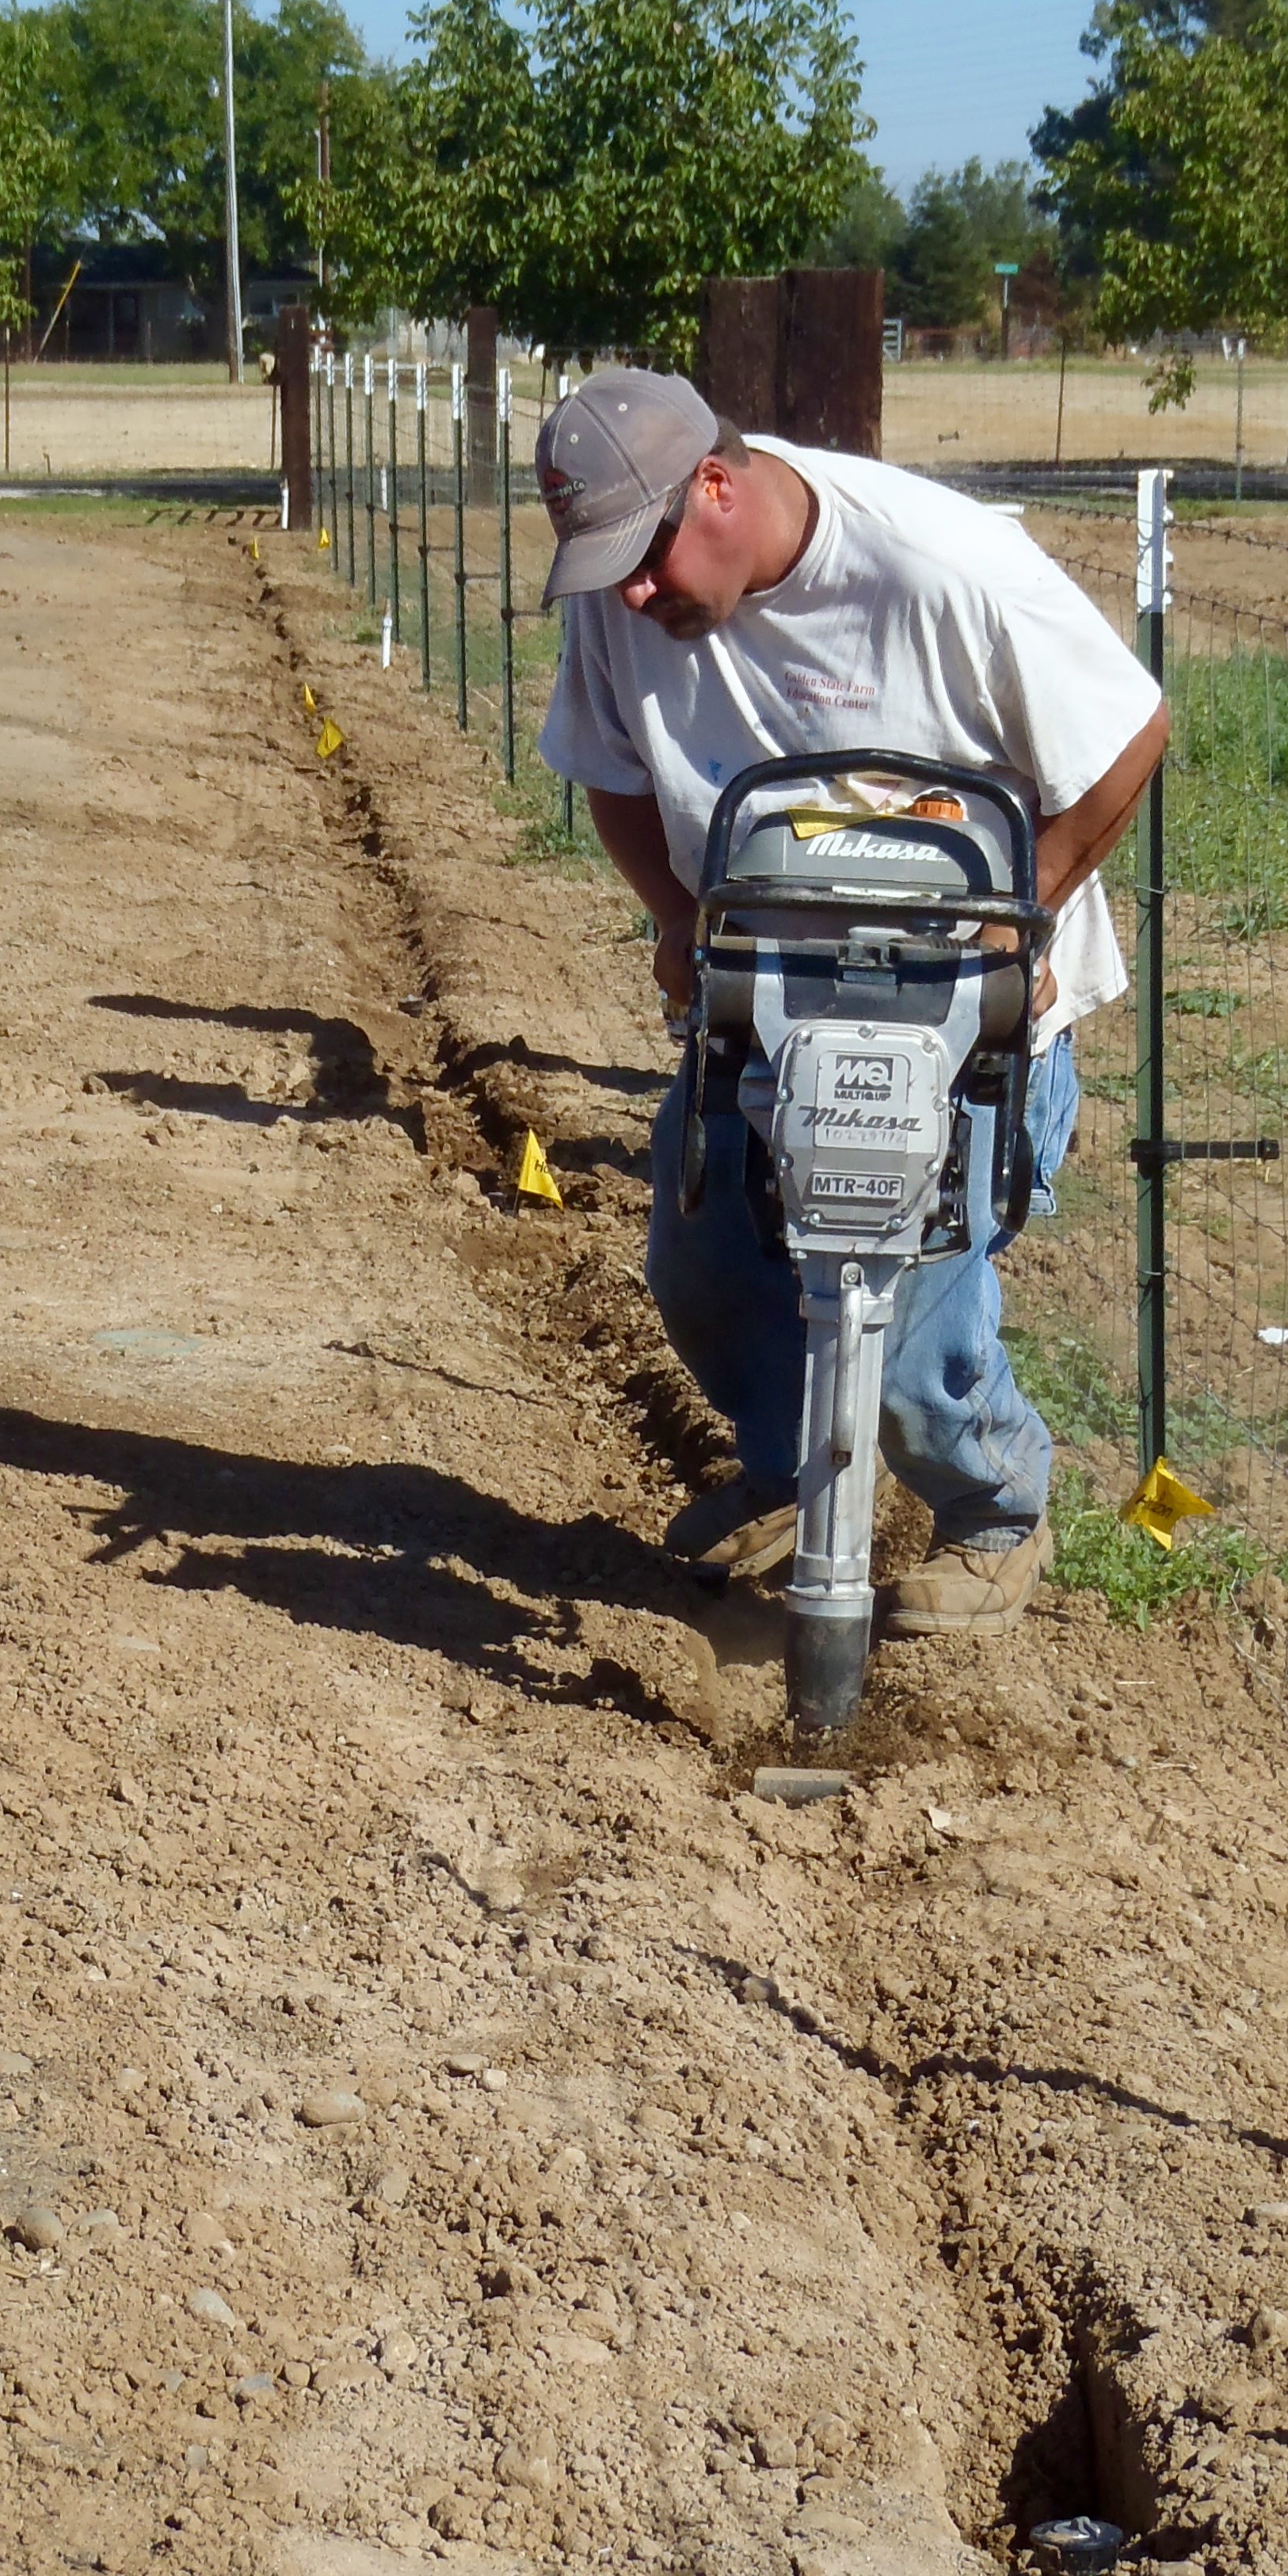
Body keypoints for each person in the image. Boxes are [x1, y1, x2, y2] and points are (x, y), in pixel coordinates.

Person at [535, 366, 1167, 1634]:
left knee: (906, 1325)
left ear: (718, 485)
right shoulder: (625, 599)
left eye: (645, 558)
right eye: (607, 569)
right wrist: (675, 915)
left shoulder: (940, 570)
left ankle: (994, 1508)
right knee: (705, 1259)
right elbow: (610, 765)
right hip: (763, 1006)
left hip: (955, 1027)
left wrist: (1025, 908)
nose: (632, 594)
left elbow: (1130, 728)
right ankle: (790, 1472)